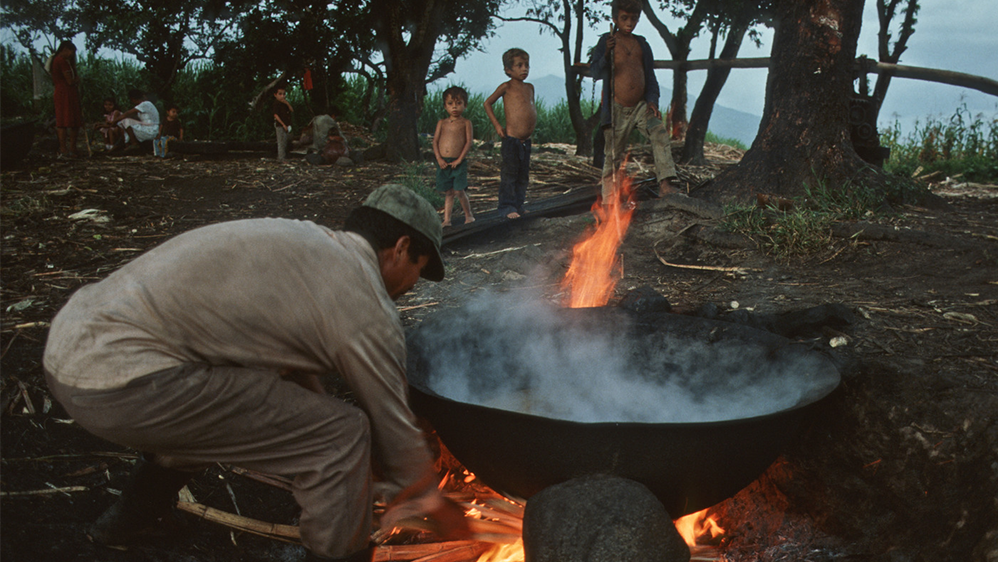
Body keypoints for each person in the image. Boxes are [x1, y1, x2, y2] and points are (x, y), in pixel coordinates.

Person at [43, 184, 470, 562]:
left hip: (70, 349)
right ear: (400, 247)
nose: (414, 283)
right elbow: (390, 419)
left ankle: (125, 523)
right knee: (340, 438)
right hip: (124, 383)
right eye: (419, 269)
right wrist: (430, 497)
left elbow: (287, 373)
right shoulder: (365, 300)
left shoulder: (307, 249)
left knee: (230, 397)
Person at [590, 0, 679, 202]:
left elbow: (650, 77)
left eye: (634, 19)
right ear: (615, 18)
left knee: (658, 131)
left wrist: (652, 101)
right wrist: (606, 53)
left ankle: (666, 184)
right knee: (613, 154)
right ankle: (609, 203)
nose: (629, 23)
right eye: (624, 18)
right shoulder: (607, 40)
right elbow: (594, 71)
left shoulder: (642, 44)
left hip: (640, 107)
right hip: (616, 110)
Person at [484, 48, 537, 220]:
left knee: (523, 175)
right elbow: (487, 103)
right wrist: (498, 126)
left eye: (527, 65)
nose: (525, 69)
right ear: (508, 70)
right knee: (509, 174)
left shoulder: (530, 88)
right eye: (519, 65)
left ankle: (519, 205)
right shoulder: (506, 87)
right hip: (511, 140)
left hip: (525, 141)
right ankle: (507, 207)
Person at [433, 86, 475, 227]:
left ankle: (469, 216)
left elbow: (468, 142)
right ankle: (447, 220)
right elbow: (435, 141)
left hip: (458, 162)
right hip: (444, 162)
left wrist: (459, 159)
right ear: (445, 106)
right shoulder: (442, 123)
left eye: (458, 103)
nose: (454, 107)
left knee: (459, 190)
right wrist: (439, 158)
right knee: (449, 192)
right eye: (450, 104)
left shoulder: (466, 123)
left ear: (465, 105)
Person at [51, 40, 83, 159]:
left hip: (67, 93)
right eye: (71, 52)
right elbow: (70, 81)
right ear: (64, 49)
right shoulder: (61, 61)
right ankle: (64, 149)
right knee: (64, 121)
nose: (72, 55)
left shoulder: (64, 61)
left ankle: (72, 148)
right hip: (64, 93)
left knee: (74, 121)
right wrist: (76, 78)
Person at [272, 86, 294, 162]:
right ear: (275, 95)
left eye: (284, 94)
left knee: (286, 140)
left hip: (287, 125)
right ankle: (281, 158)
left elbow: (291, 110)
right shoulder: (276, 103)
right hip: (280, 125)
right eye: (280, 94)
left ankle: (285, 156)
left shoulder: (284, 103)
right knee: (281, 141)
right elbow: (275, 115)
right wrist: (283, 124)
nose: (282, 96)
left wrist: (287, 103)